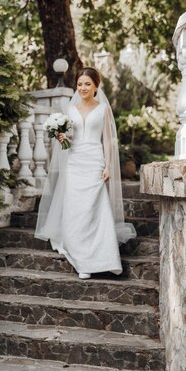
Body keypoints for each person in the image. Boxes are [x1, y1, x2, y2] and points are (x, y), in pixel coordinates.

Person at [35, 67, 136, 279]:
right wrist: (61, 138)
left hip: (94, 161)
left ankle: (103, 257)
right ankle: (81, 258)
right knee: (75, 207)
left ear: (96, 86)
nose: (83, 88)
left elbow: (108, 139)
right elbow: (68, 139)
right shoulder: (70, 109)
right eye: (80, 84)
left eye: (87, 84)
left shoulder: (103, 109)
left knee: (95, 207)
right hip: (74, 161)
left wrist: (108, 165)